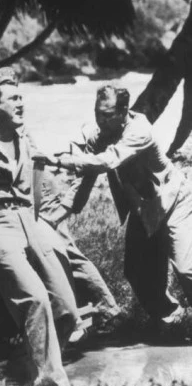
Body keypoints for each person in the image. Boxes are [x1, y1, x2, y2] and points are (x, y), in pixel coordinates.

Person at [0, 71, 120, 322]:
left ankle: (106, 306)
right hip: (24, 194)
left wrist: (38, 205)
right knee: (51, 255)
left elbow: (30, 162)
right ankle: (76, 312)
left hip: (37, 189)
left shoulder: (0, 118)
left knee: (63, 250)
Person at [0, 68, 81, 386]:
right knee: (35, 299)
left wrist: (40, 226)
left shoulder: (25, 142)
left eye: (22, 97)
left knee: (66, 306)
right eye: (13, 98)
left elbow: (33, 191)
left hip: (28, 222)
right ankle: (50, 380)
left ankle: (25, 361)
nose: (21, 103)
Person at [37, 84, 192, 332]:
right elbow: (83, 184)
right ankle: (168, 316)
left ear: (123, 111)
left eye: (107, 115)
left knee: (186, 269)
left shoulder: (139, 131)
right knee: (135, 271)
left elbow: (108, 160)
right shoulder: (98, 136)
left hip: (173, 201)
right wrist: (54, 217)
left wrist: (61, 161)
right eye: (97, 113)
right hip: (144, 208)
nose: (101, 120)